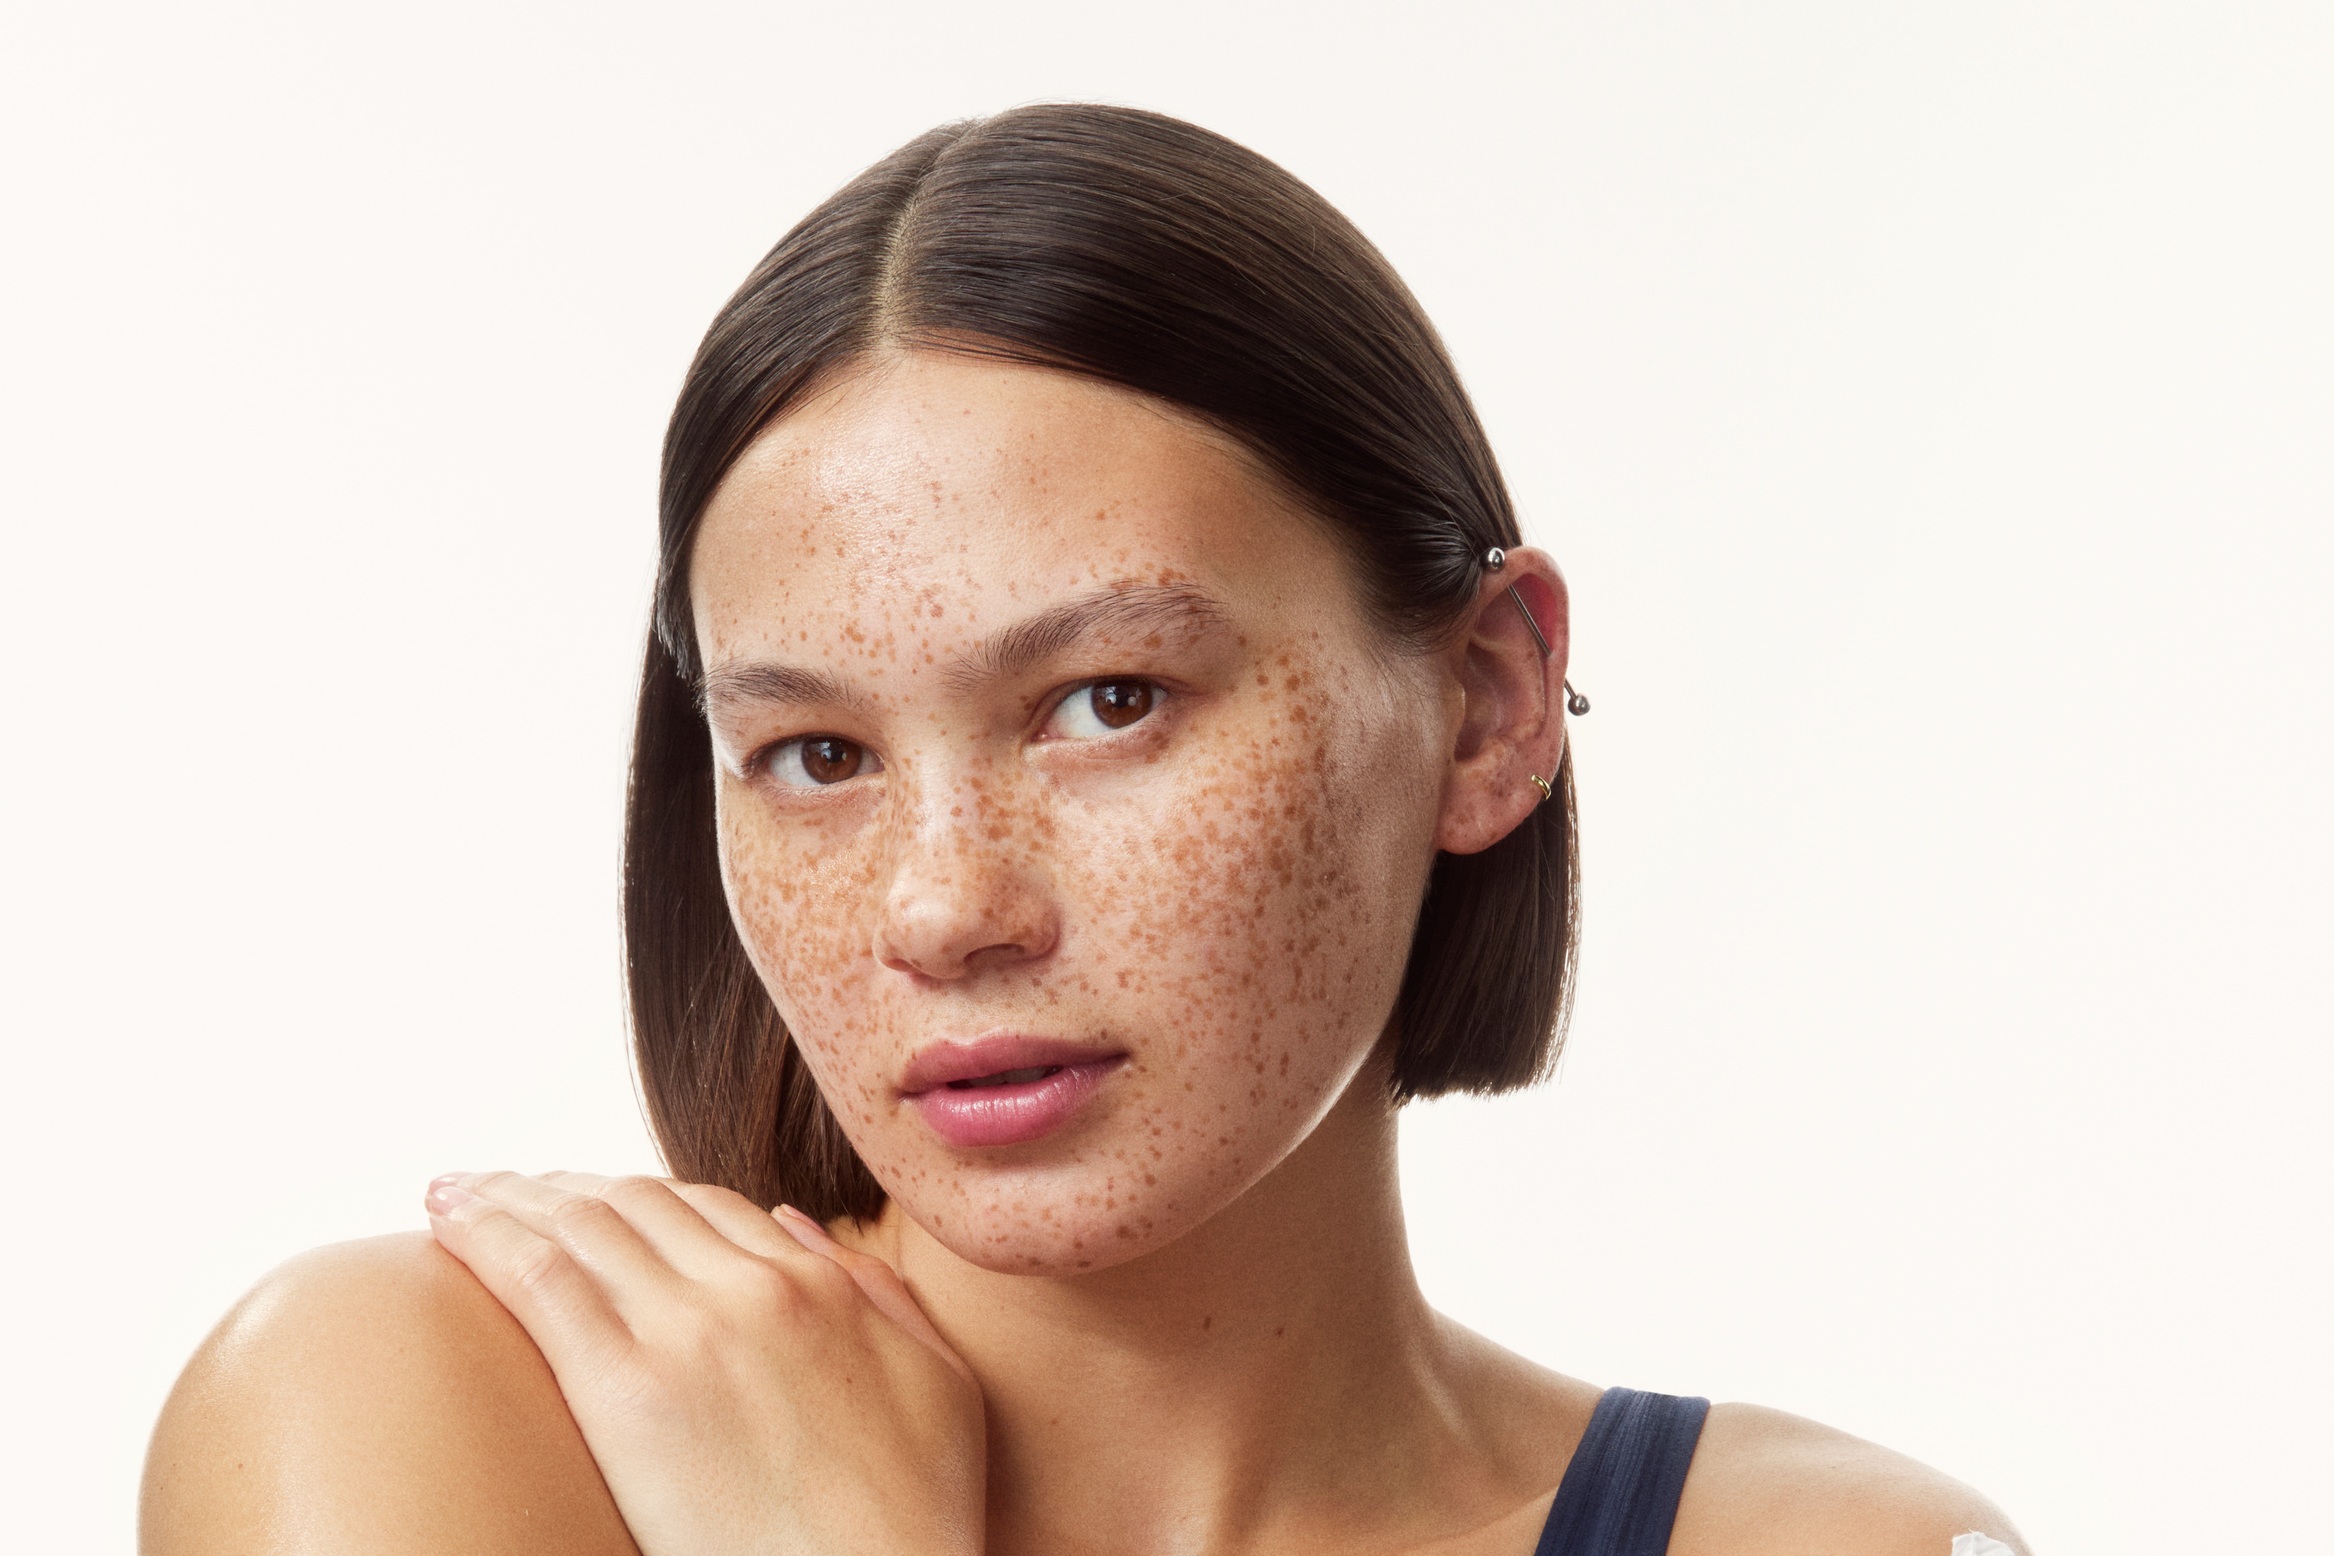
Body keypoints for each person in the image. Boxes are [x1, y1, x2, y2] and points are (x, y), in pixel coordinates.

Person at [140, 104, 2028, 1556]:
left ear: (1486, 705)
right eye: (813, 753)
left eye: (1106, 702)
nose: (946, 908)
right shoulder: (413, 1418)